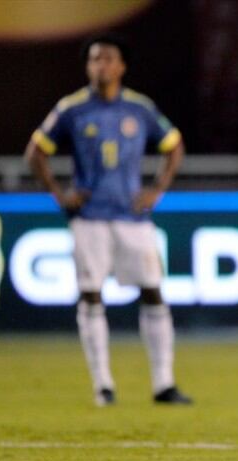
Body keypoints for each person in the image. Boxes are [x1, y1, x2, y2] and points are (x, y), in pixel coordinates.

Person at [24, 34, 192, 406]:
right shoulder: (72, 108)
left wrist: (157, 190)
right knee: (91, 295)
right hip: (89, 218)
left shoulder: (139, 108)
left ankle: (163, 384)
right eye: (94, 59)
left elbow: (174, 145)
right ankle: (104, 386)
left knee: (152, 290)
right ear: (88, 66)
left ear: (122, 66)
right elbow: (35, 152)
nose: (101, 65)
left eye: (108, 58)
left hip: (132, 216)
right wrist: (59, 193)